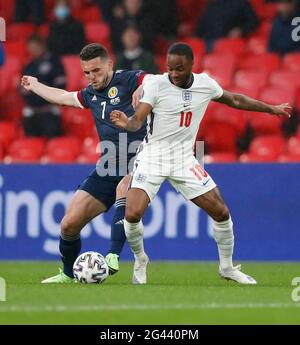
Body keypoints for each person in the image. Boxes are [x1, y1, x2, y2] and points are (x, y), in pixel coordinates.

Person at [110, 42, 292, 284]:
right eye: (170, 68)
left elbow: (235, 100)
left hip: (184, 159)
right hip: (153, 157)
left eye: (179, 69)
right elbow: (138, 120)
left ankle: (227, 268)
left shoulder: (205, 84)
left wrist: (271, 109)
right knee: (132, 214)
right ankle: (140, 260)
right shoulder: (156, 84)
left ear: (191, 66)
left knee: (221, 211)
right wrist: (127, 123)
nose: (174, 74)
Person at [21, 43, 148, 283]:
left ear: (109, 65)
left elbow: (157, 80)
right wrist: (35, 85)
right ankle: (68, 274)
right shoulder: (90, 94)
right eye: (87, 73)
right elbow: (63, 96)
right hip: (108, 165)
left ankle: (112, 256)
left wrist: (146, 88)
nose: (92, 77)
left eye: (96, 71)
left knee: (124, 190)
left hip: (141, 161)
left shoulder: (129, 79)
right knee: (68, 225)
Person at [20, 34, 66, 138]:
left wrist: (37, 88)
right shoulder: (29, 66)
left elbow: (60, 86)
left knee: (53, 140)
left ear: (42, 46)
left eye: (35, 48)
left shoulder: (55, 62)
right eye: (31, 49)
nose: (33, 51)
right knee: (30, 143)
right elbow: (23, 88)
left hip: (50, 111)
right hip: (33, 111)